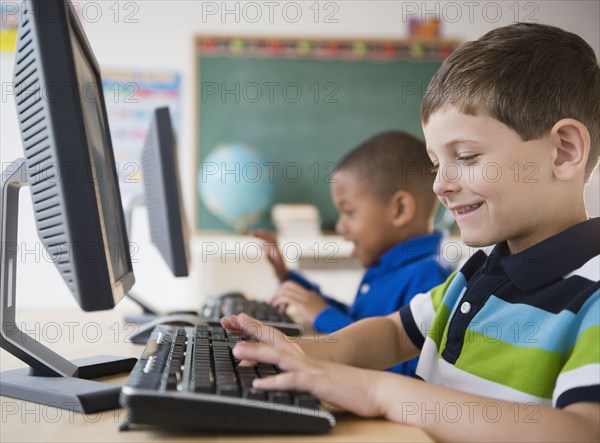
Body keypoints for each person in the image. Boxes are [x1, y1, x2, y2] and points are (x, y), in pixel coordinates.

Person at [223, 22, 600, 442]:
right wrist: (302, 352)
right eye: (437, 164)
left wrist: (381, 391)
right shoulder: (476, 274)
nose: (440, 184)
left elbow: (582, 431)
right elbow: (394, 331)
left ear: (564, 151)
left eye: (467, 156)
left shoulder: (592, 296)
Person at [254, 130, 452, 376]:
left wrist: (322, 314)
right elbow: (355, 321)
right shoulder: (386, 267)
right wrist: (288, 277)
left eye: (348, 212)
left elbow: (409, 371)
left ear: (400, 210)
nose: (339, 227)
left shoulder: (430, 277)